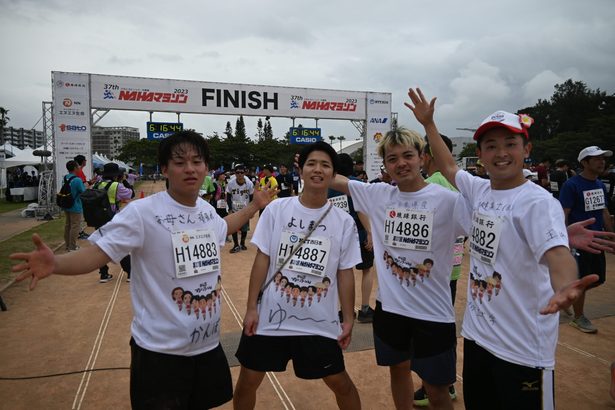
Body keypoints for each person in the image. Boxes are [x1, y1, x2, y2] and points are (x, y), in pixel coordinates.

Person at [11, 130, 273, 410]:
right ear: (164, 169)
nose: (190, 169)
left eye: (197, 161)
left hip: (206, 346)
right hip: (160, 353)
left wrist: (255, 206)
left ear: (206, 168)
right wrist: (56, 264)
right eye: (179, 162)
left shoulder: (207, 212)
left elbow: (226, 225)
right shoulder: (141, 213)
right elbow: (99, 253)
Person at [405, 87, 598, 410]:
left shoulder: (538, 202)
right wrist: (429, 125)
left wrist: (565, 285)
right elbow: (450, 167)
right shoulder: (479, 190)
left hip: (522, 350)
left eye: (510, 144)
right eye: (491, 146)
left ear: (527, 150)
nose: (501, 153)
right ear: (480, 154)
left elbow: (556, 254)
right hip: (479, 338)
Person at [330, 127, 469, 410]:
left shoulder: (448, 200)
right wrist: (311, 163)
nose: (401, 163)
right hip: (391, 311)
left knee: (437, 389)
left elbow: (489, 227)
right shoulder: (379, 194)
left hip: (433, 315)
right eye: (392, 159)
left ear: (422, 158)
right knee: (398, 372)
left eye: (408, 155)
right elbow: (339, 181)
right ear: (385, 166)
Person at [233, 141, 362, 410]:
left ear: (332, 173)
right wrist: (250, 308)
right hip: (270, 317)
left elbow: (345, 272)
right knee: (247, 380)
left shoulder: (344, 221)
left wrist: (348, 318)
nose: (318, 169)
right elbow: (262, 259)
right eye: (311, 163)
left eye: (325, 165)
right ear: (300, 170)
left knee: (341, 383)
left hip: (318, 321)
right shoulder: (278, 210)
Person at [413, 134, 465, 406]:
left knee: (428, 332)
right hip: (452, 268)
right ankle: (448, 383)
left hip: (428, 272)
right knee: (445, 326)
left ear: (427, 155)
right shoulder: (460, 186)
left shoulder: (428, 185)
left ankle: (435, 385)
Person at [559, 146, 614, 333]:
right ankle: (578, 317)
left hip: (596, 241)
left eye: (603, 159)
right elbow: (563, 214)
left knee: (598, 279)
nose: (602, 162)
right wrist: (563, 241)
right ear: (584, 162)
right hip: (578, 244)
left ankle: (567, 295)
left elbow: (604, 212)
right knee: (582, 278)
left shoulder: (599, 184)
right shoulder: (571, 185)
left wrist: (611, 235)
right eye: (597, 158)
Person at [327, 153, 375, 323]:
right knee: (367, 269)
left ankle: (342, 310)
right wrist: (370, 232)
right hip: (359, 234)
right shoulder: (356, 184)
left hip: (335, 236)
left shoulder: (328, 185)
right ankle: (365, 309)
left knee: (341, 273)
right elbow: (362, 210)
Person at [91, 163, 134, 283]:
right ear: (116, 175)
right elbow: (131, 194)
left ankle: (104, 274)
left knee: (101, 246)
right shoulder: (116, 185)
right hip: (112, 219)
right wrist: (124, 181)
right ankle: (130, 272)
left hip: (98, 218)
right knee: (120, 245)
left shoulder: (97, 184)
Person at [226, 164, 255, 253]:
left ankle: (242, 243)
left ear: (244, 173)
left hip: (245, 209)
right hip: (234, 209)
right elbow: (228, 196)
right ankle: (236, 245)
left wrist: (251, 209)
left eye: (241, 172)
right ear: (234, 173)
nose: (239, 174)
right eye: (237, 172)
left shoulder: (249, 183)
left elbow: (251, 196)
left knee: (244, 228)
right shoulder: (231, 183)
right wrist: (230, 209)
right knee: (234, 227)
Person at [61, 160, 86, 252]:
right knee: (75, 226)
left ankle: (67, 245)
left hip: (66, 204)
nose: (79, 168)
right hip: (75, 205)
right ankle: (72, 247)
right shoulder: (77, 180)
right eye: (78, 166)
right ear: (75, 168)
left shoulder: (65, 178)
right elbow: (83, 192)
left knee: (68, 225)